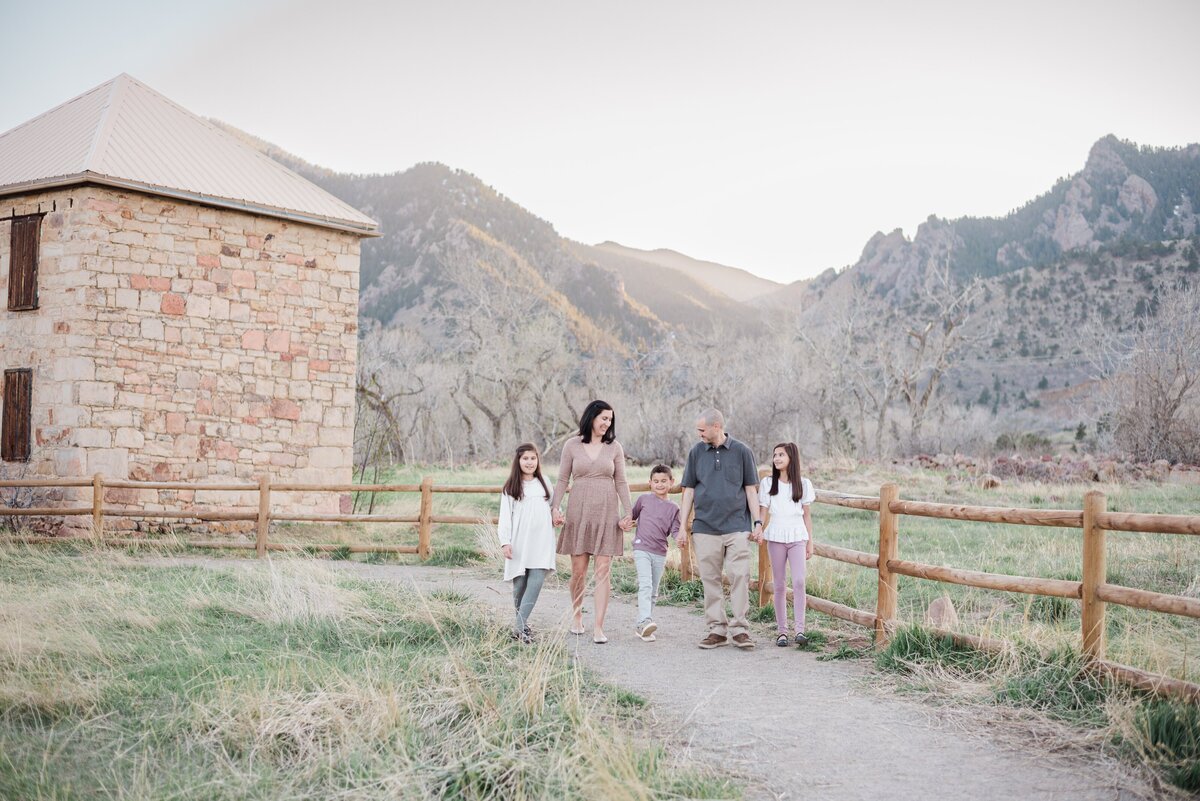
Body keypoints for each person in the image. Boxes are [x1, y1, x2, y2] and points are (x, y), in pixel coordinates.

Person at [551, 399, 634, 644]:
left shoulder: (614, 447)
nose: (607, 424)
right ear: (592, 417)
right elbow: (562, 479)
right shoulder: (572, 445)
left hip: (607, 512)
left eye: (610, 420)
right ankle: (577, 616)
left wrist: (628, 511)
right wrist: (555, 507)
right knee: (578, 571)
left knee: (603, 571)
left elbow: (621, 481)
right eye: (604, 418)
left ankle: (599, 626)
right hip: (578, 511)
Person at [678, 408, 761, 650]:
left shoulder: (742, 452)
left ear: (717, 427)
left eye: (702, 429)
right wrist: (683, 526)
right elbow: (689, 491)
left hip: (736, 526)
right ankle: (716, 629)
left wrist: (757, 522)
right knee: (710, 579)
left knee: (740, 576)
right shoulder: (696, 453)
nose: (699, 433)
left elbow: (750, 490)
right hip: (705, 527)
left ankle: (740, 629)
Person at [758, 442, 816, 647]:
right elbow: (763, 512)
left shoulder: (803, 484)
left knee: (799, 581)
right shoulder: (768, 484)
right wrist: (758, 528)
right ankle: (782, 632)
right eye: (775, 455)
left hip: (797, 537)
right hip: (776, 537)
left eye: (781, 454)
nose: (777, 458)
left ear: (791, 457)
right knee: (780, 584)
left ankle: (800, 630)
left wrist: (810, 542)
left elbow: (807, 516)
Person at [498, 443, 557, 643]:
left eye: (533, 458)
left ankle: (518, 627)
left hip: (542, 539)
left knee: (536, 579)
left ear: (538, 460)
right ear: (518, 461)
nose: (529, 462)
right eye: (525, 459)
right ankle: (521, 627)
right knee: (520, 584)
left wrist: (557, 518)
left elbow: (551, 509)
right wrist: (505, 542)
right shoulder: (511, 487)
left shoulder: (545, 482)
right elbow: (505, 517)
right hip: (519, 540)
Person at [629, 464, 683, 642]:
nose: (660, 484)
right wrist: (624, 522)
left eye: (664, 481)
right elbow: (631, 516)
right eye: (656, 481)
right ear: (650, 483)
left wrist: (680, 538)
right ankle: (645, 620)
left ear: (671, 482)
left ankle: (643, 626)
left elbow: (675, 530)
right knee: (645, 584)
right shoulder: (644, 499)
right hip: (641, 548)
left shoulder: (674, 508)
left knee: (653, 591)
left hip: (660, 552)